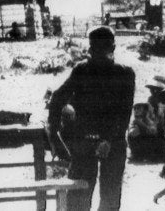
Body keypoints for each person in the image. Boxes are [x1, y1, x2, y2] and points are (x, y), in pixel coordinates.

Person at [47, 26, 135, 211]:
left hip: (105, 140)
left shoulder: (119, 73)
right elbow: (57, 98)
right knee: (85, 197)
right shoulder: (87, 71)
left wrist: (54, 132)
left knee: (102, 198)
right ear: (113, 47)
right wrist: (54, 133)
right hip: (95, 140)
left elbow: (124, 113)